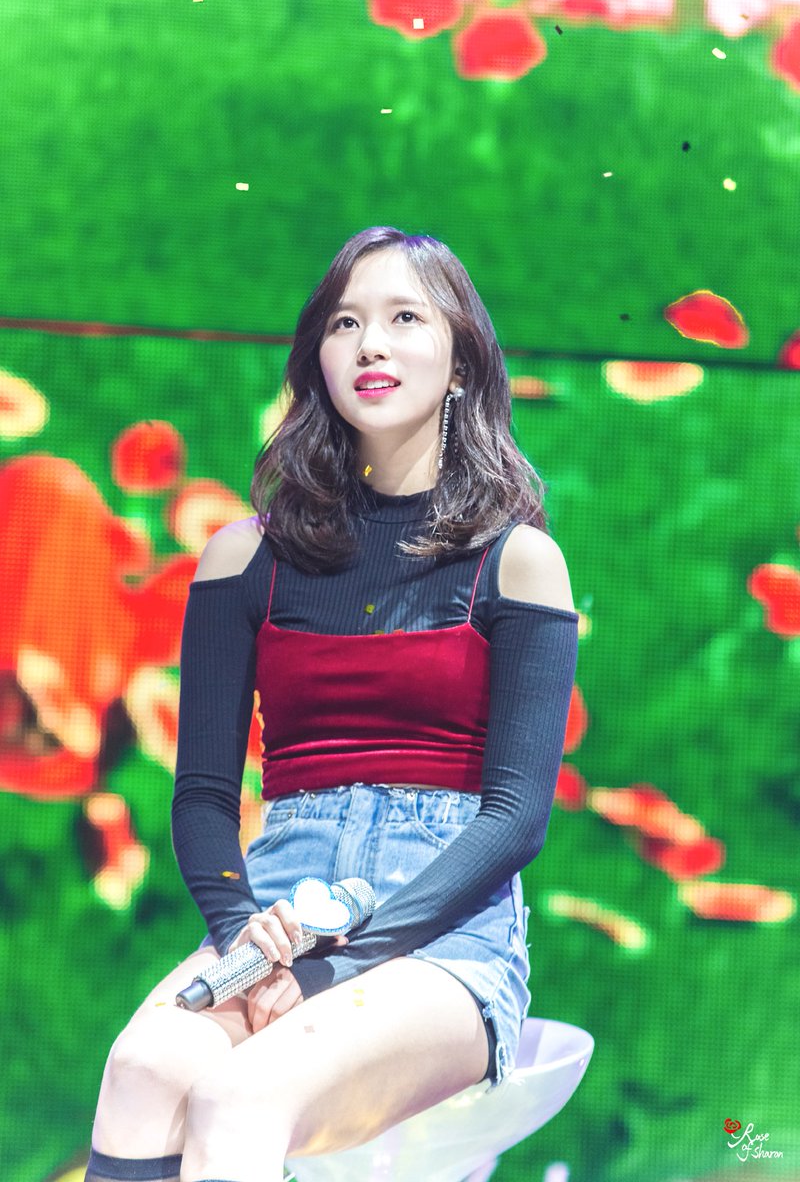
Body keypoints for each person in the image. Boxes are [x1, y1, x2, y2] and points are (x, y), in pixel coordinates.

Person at [84, 226, 579, 1182]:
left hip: (443, 931)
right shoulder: (243, 558)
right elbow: (202, 794)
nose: (370, 344)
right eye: (345, 323)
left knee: (240, 1096)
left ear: (461, 361)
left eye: (404, 318)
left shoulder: (518, 561)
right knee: (142, 1071)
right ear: (318, 358)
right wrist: (243, 932)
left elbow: (517, 818)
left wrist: (337, 963)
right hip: (279, 904)